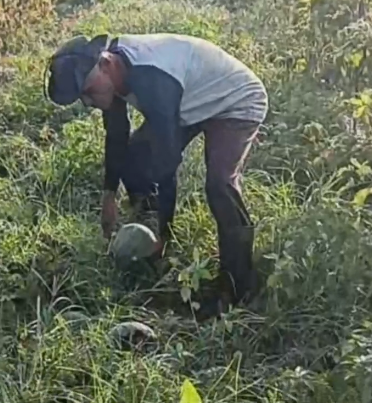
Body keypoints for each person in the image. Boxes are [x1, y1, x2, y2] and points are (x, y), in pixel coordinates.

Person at [46, 33, 268, 315]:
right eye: (82, 98)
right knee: (134, 158)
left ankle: (239, 288)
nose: (88, 102)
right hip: (189, 102)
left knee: (219, 185)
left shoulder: (152, 79)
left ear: (105, 64)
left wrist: (166, 234)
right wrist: (109, 195)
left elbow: (167, 162)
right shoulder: (113, 74)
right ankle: (147, 225)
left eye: (88, 91)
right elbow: (116, 137)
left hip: (235, 100)